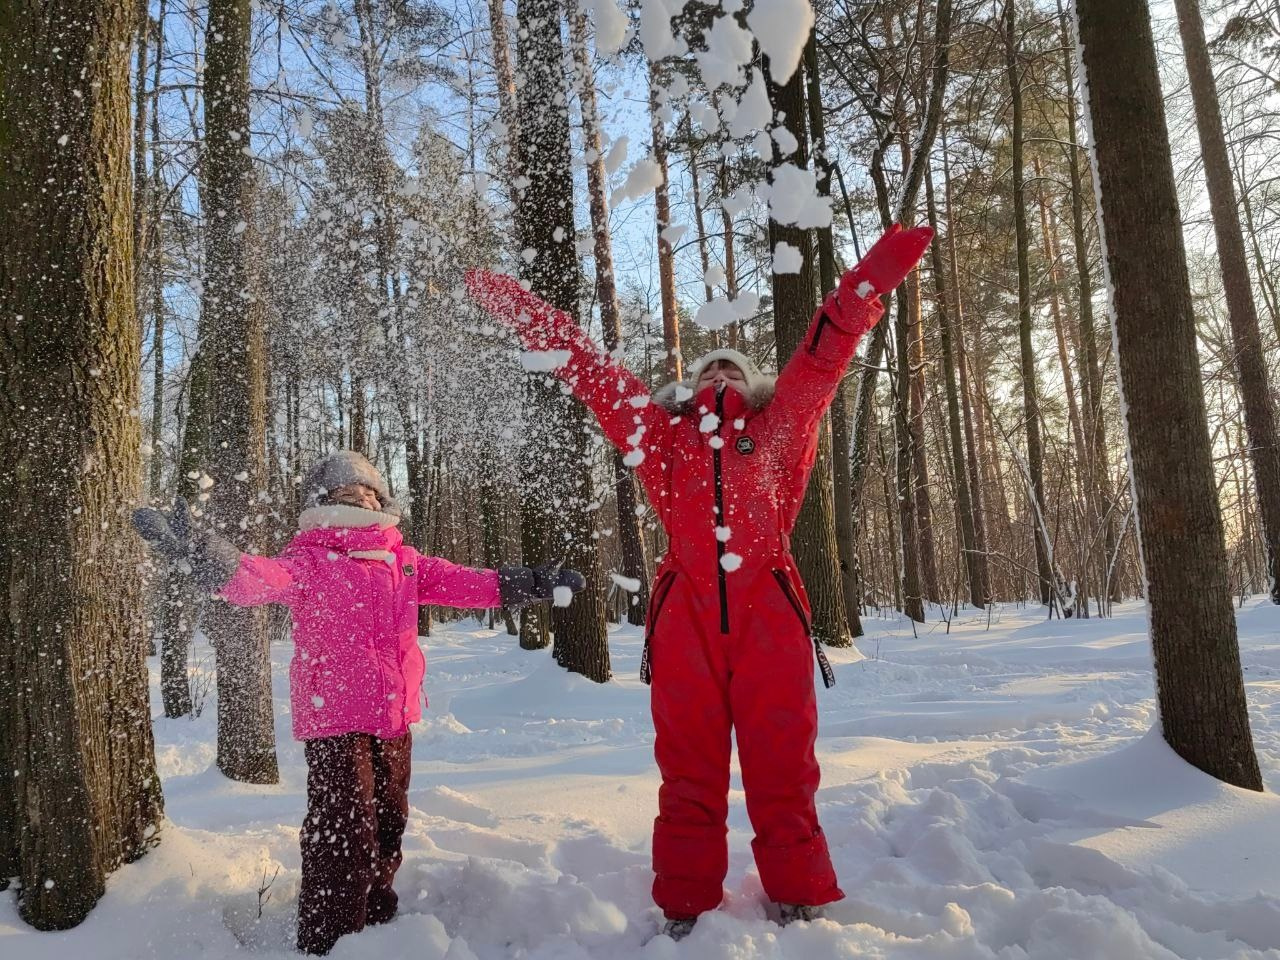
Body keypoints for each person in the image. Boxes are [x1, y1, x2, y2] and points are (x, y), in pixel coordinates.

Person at [465, 224, 933, 940]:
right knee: (688, 771)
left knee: (783, 763)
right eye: (709, 369)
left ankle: (798, 891)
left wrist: (868, 283)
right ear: (689, 386)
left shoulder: (781, 428)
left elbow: (823, 355)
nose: (719, 376)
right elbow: (591, 371)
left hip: (768, 614)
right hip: (684, 616)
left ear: (753, 385)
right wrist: (526, 312)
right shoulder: (663, 438)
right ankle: (685, 904)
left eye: (733, 370)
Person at [132, 450, 584, 954]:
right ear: (322, 501)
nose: (362, 497)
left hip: (394, 716)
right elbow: (256, 579)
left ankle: (377, 918)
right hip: (336, 718)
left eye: (370, 490)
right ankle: (329, 935)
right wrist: (202, 550)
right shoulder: (308, 560)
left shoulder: (405, 561)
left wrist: (536, 581)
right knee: (344, 827)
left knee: (390, 819)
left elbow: (469, 583)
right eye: (348, 491)